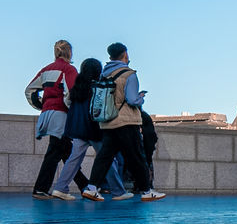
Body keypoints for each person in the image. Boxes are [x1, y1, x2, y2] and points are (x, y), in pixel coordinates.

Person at [81, 43, 165, 201]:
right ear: (125, 54)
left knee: (104, 156)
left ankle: (92, 188)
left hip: (107, 121)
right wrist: (141, 98)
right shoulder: (129, 74)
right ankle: (147, 191)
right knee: (136, 157)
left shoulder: (104, 74)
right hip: (126, 122)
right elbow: (132, 99)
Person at [49, 58, 126, 200]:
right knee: (106, 158)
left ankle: (60, 188)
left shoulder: (77, 87)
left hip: (78, 128)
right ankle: (118, 191)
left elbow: (68, 103)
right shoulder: (98, 87)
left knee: (74, 159)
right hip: (94, 128)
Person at [25, 39, 81, 199]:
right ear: (69, 52)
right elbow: (71, 92)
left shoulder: (45, 70)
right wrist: (69, 108)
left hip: (47, 114)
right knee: (57, 151)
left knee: (64, 151)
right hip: (60, 115)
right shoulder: (69, 69)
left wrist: (41, 105)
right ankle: (41, 189)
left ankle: (84, 186)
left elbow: (29, 91)